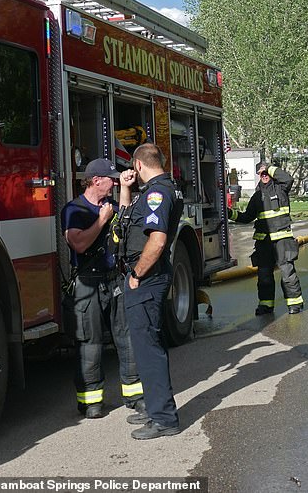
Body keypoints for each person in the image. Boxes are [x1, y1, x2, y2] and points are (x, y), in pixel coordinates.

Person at [60, 158, 144, 419]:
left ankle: (135, 396)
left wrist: (127, 188)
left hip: (113, 279)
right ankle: (91, 401)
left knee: (127, 338)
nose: (114, 182)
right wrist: (101, 220)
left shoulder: (112, 205)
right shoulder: (73, 210)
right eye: (111, 179)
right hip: (87, 283)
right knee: (89, 342)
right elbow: (79, 244)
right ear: (95, 181)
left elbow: (128, 218)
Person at [119, 143, 184, 439]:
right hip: (149, 278)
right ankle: (155, 407)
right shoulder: (160, 189)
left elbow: (156, 242)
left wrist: (136, 274)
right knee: (147, 346)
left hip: (146, 279)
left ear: (139, 165)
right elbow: (128, 219)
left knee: (148, 349)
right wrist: (126, 189)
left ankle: (164, 418)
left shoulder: (157, 194)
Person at [228, 161, 303, 315]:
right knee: (264, 276)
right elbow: (247, 216)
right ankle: (266, 305)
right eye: (261, 174)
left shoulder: (281, 188)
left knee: (287, 273)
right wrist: (229, 214)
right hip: (263, 243)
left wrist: (268, 168)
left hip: (282, 240)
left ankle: (294, 304)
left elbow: (288, 178)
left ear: (271, 173)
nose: (264, 176)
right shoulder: (256, 196)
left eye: (266, 173)